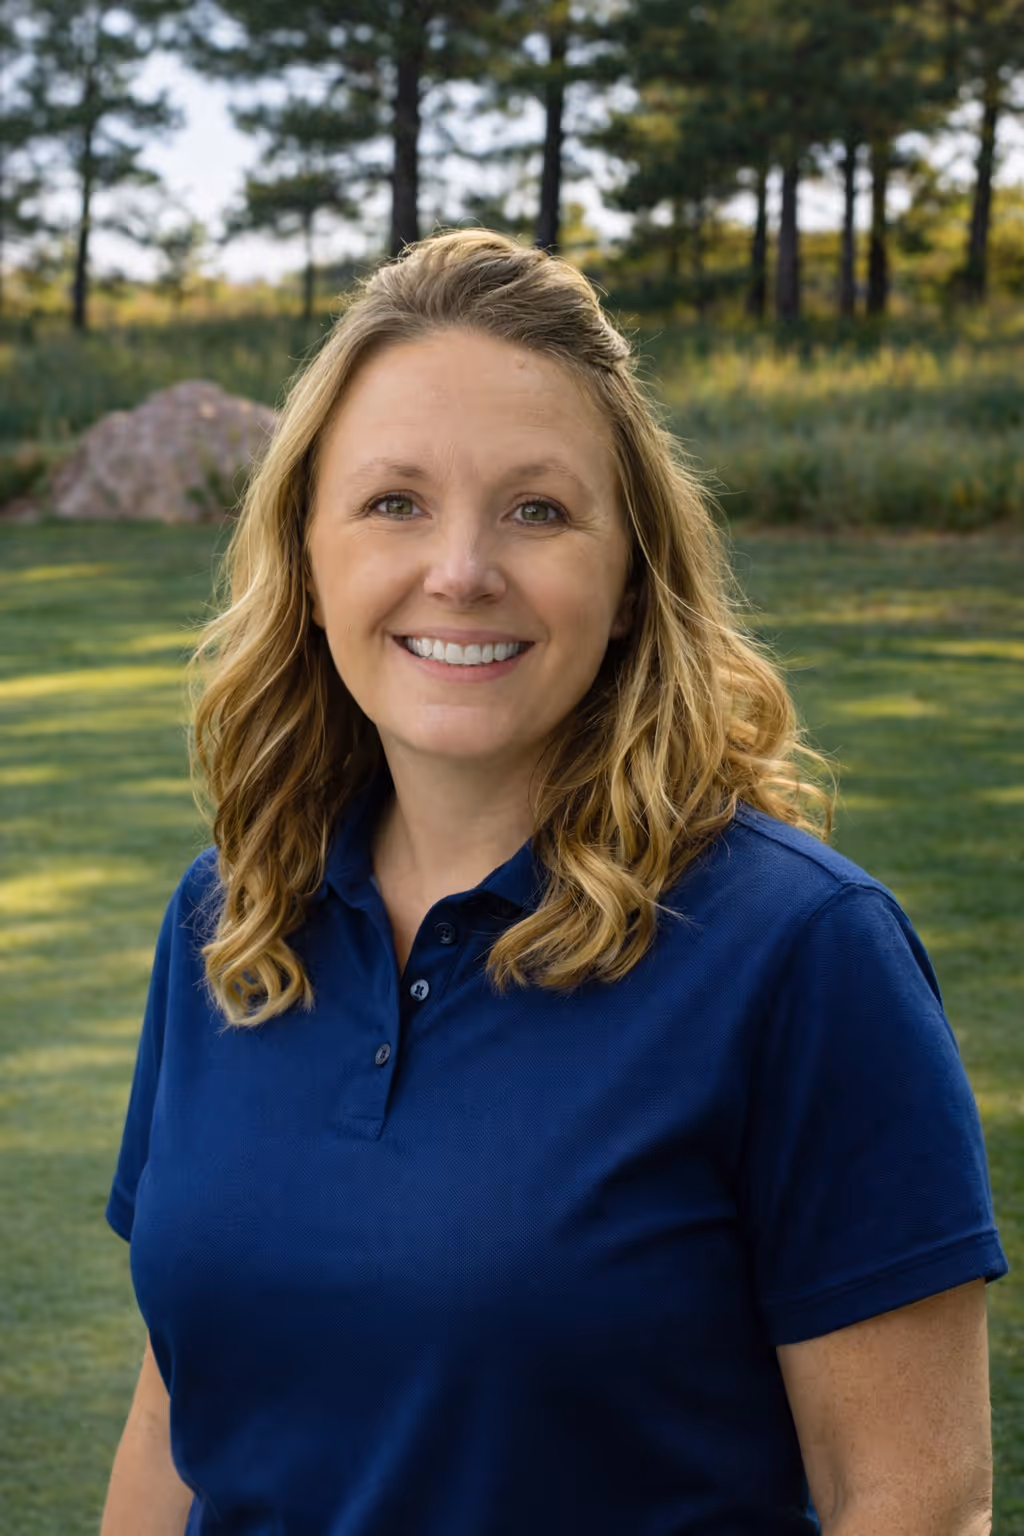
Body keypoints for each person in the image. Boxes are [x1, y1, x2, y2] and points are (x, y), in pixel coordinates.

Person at [101, 228, 1008, 1536]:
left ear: (630, 578)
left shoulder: (804, 956)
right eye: (394, 502)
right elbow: (175, 1412)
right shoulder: (229, 915)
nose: (461, 570)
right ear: (307, 558)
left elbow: (914, 1506)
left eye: (537, 508)